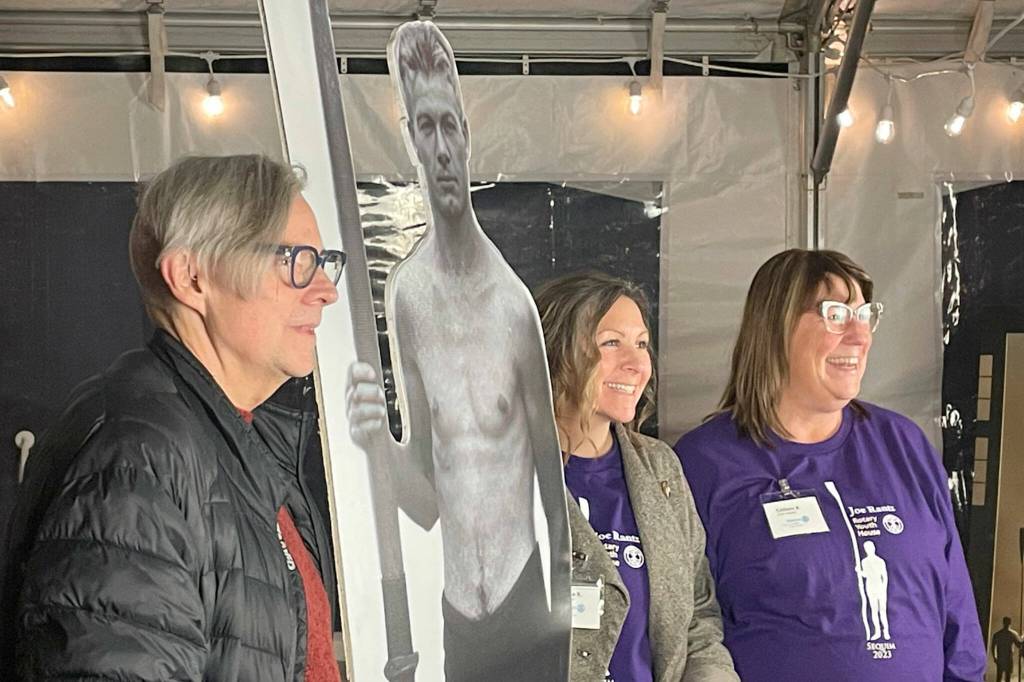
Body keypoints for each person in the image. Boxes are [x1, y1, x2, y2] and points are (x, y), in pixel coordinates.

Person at [1, 154, 344, 681]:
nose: (325, 290)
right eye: (295, 260)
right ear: (191, 276)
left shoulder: (236, 439)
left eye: (325, 263)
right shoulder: (139, 457)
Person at [345, 20, 569, 681]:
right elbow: (424, 502)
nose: (440, 146)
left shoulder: (513, 306)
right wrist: (375, 446)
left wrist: (572, 632)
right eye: (425, 127)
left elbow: (555, 498)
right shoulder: (408, 297)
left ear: (467, 135)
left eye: (449, 125)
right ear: (411, 139)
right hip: (458, 620)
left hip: (526, 602)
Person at [674, 248, 986, 681]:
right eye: (836, 315)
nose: (860, 336)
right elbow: (686, 627)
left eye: (864, 314)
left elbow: (956, 608)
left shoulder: (902, 444)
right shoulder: (703, 463)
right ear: (776, 326)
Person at [533, 271, 738, 682]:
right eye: (611, 343)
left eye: (642, 344)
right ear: (552, 353)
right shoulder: (507, 472)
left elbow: (697, 619)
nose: (636, 363)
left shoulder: (659, 467)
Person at [992, 616, 1020, 682]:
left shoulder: (998, 634)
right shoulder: (1012, 634)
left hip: (1003, 658)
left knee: (1001, 677)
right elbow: (1018, 645)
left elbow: (993, 647)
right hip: (1005, 658)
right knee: (1004, 678)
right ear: (1010, 623)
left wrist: (995, 657)